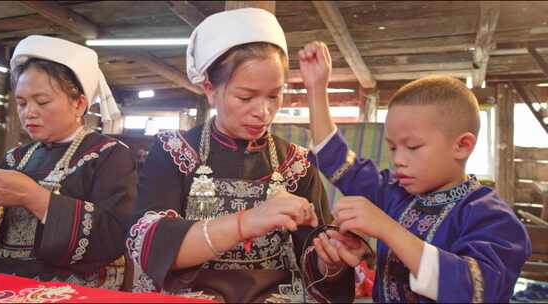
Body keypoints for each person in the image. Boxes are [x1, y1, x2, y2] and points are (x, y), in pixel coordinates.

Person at [126, 8, 364, 303]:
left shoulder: (298, 164)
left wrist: (329, 261)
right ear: (210, 90)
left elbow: (311, 255)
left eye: (274, 96)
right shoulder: (173, 150)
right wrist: (245, 222)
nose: (263, 111)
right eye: (246, 97)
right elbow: (151, 244)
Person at [300, 41, 532, 302]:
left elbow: (475, 290)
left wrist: (388, 229)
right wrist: (316, 88)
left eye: (412, 147)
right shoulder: (394, 193)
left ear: (462, 146)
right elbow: (335, 160)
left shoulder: (492, 217)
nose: (398, 159)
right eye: (392, 147)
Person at [0, 35, 137, 290]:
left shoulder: (109, 155)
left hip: (72, 286)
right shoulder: (13, 159)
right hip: (3, 278)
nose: (29, 112)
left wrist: (35, 197)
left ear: (79, 103)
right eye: (21, 102)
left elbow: (115, 235)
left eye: (42, 101)